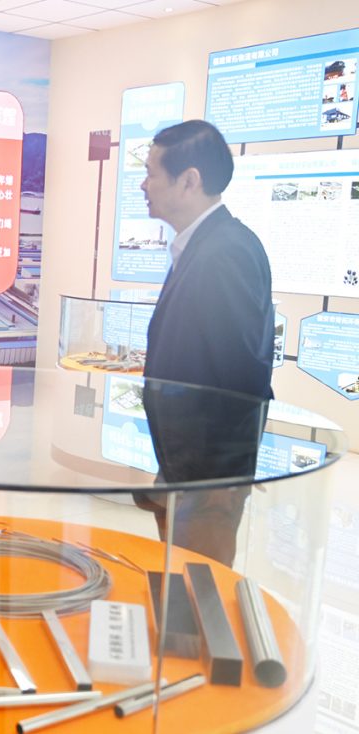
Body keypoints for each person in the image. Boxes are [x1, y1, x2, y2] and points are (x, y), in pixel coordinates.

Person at [136, 119, 274, 565]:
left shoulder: (225, 251)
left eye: (152, 173)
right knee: (178, 580)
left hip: (207, 470)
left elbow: (239, 374)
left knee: (200, 583)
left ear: (189, 181)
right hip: (187, 462)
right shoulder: (203, 245)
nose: (143, 185)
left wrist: (213, 483)